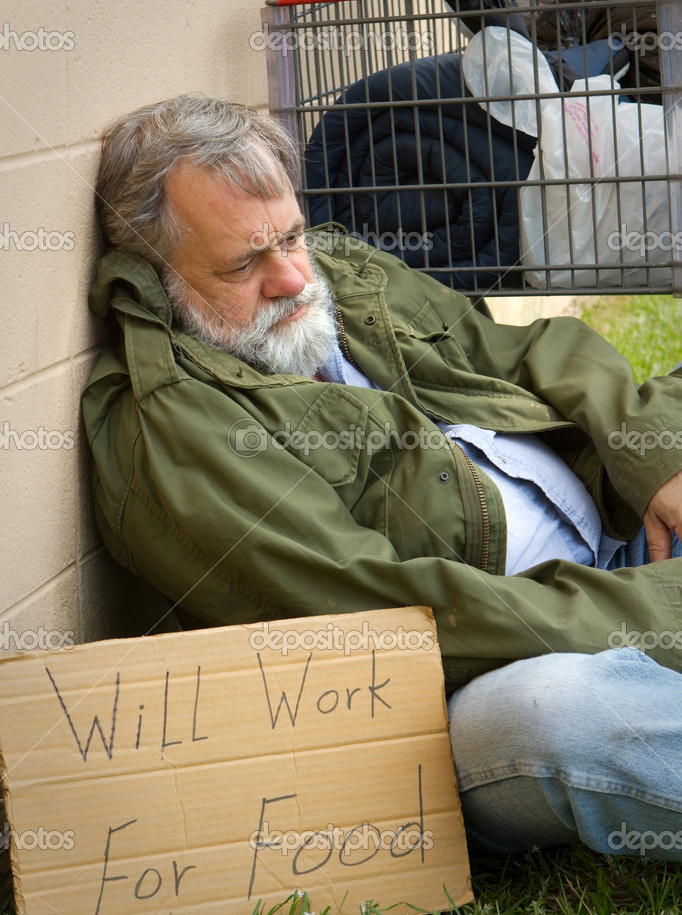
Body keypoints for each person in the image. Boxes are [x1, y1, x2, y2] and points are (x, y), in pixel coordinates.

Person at [83, 95, 682, 861]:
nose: (295, 276)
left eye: (292, 235)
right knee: (559, 715)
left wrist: (652, 458)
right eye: (243, 263)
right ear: (154, 271)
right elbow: (399, 618)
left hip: (625, 540)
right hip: (488, 678)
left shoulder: (333, 266)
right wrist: (650, 609)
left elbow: (525, 352)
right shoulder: (173, 429)